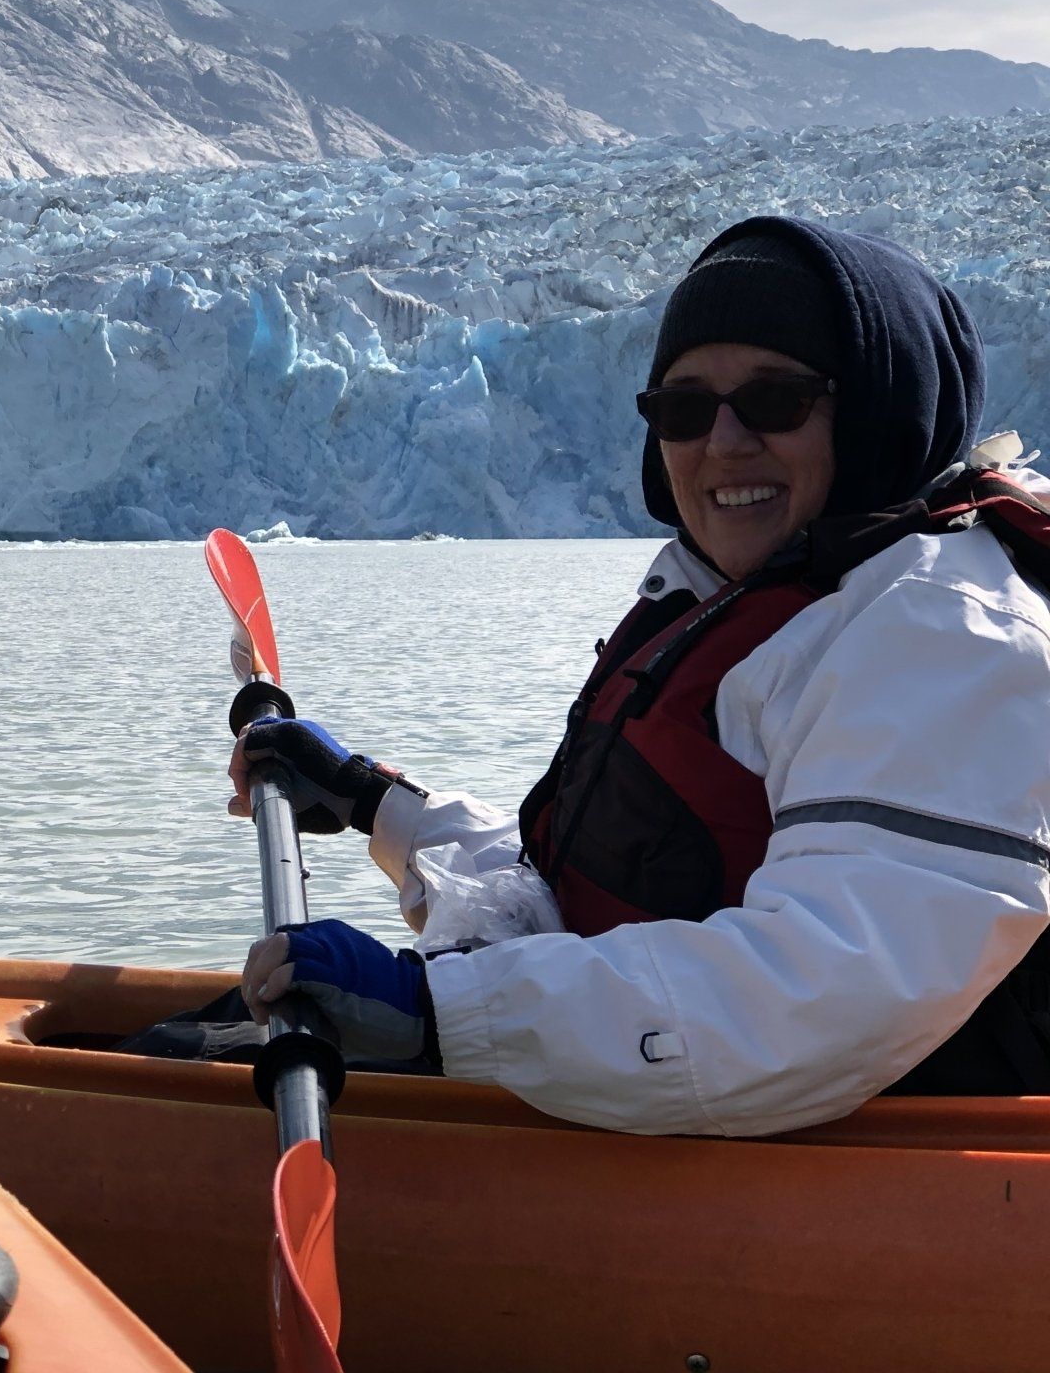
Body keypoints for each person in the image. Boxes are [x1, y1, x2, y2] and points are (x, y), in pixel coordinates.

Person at [229, 216, 1050, 1136]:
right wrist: (380, 806)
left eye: (774, 400)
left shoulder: (947, 632)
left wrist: (442, 1014)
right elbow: (589, 908)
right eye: (685, 410)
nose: (724, 442)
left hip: (845, 1183)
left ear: (873, 416)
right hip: (667, 1117)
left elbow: (829, 991)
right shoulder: (751, 597)